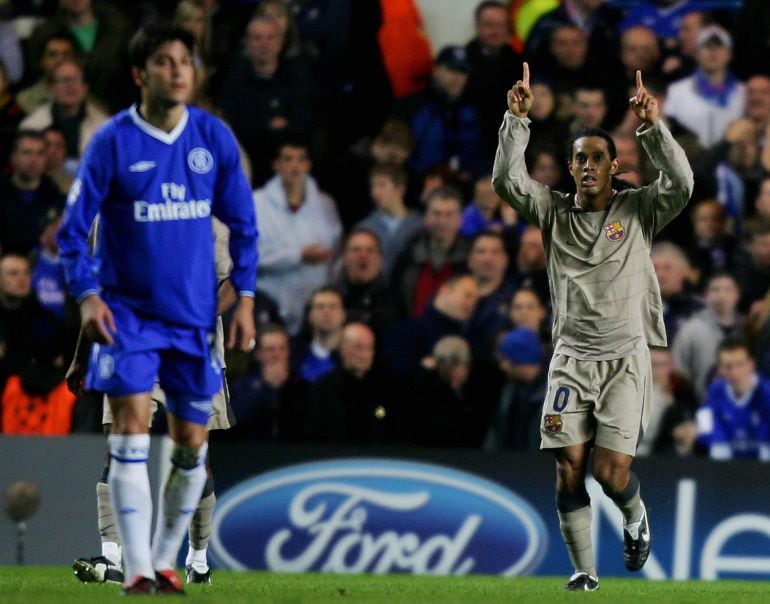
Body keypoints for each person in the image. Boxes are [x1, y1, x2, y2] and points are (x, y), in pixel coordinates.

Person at [56, 24, 258, 595]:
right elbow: (88, 265)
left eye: (185, 62)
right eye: (165, 62)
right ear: (141, 74)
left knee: (194, 449)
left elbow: (232, 261)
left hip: (195, 336)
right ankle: (119, 558)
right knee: (125, 442)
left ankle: (193, 558)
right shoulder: (113, 149)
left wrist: (236, 300)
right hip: (131, 333)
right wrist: (82, 352)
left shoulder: (212, 161)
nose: (177, 72)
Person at [493, 64, 693, 590]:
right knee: (567, 466)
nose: (586, 165)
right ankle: (585, 571)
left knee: (610, 473)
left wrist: (653, 128)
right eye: (579, 157)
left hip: (625, 357)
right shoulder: (551, 212)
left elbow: (683, 183)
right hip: (570, 359)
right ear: (570, 166)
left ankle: (634, 517)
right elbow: (506, 181)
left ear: (613, 166)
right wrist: (516, 123)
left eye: (597, 157)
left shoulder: (639, 209)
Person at [254, 139, 342, 335]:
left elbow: (336, 254)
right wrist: (297, 256)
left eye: (301, 159)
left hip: (315, 309)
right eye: (288, 159)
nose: (294, 165)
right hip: (270, 305)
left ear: (308, 165)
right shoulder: (256, 204)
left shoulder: (325, 205)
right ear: (276, 165)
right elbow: (248, 254)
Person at [696, 336, 770, 460]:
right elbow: (706, 423)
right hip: (727, 468)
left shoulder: (766, 393)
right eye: (728, 366)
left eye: (740, 365)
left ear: (751, 365)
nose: (734, 372)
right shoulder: (715, 391)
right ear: (720, 369)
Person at [0, 130, 65, 256]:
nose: (34, 159)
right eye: (27, 153)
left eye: (40, 153)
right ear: (13, 157)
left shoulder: (57, 200)